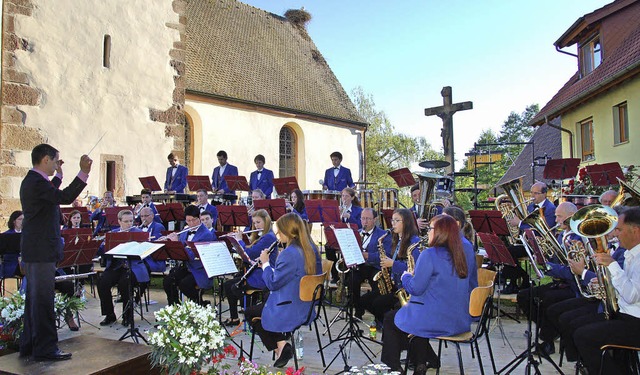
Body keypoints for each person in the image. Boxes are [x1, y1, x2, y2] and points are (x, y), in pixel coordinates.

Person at [19, 143, 91, 361]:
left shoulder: (36, 181)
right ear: (45, 160)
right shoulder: (36, 183)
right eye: (56, 160)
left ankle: (30, 345)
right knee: (43, 301)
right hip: (41, 250)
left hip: (36, 248)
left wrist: (59, 175)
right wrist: (83, 173)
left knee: (35, 300)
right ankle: (46, 349)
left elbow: (51, 194)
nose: (57, 164)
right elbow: (65, 197)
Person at [381, 215, 473, 373]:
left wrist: (406, 277)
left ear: (440, 232)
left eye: (430, 229)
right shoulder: (459, 254)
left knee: (391, 318)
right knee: (413, 314)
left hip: (438, 322)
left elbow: (415, 288)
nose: (428, 232)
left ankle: (393, 368)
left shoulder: (429, 254)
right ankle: (420, 362)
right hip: (459, 321)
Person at [245, 213, 322, 368]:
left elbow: (273, 283)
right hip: (307, 304)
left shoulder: (290, 253)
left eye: (279, 231)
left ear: (288, 232)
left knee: (250, 313)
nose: (278, 235)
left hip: (291, 307)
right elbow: (288, 275)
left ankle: (281, 346)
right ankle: (282, 345)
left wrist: (266, 264)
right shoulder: (311, 247)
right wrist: (273, 267)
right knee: (266, 299)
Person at [573, 207, 640, 375]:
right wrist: (604, 287)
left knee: (584, 336)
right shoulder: (632, 254)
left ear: (636, 231)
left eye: (619, 229)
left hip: (635, 322)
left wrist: (612, 265)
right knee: (576, 325)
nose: (615, 233)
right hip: (626, 315)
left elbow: (632, 296)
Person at [515, 201, 582, 355]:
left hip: (573, 286)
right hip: (559, 282)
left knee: (548, 301)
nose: (556, 220)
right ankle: (548, 329)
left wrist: (549, 268)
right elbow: (555, 259)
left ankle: (547, 342)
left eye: (559, 216)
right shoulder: (561, 235)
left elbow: (572, 271)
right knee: (524, 296)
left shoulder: (576, 238)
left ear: (571, 217)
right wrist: (540, 252)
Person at [360, 208, 420, 326]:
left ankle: (390, 326)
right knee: (364, 300)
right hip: (394, 285)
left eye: (397, 220)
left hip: (405, 289)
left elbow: (415, 269)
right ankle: (386, 325)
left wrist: (393, 264)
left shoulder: (414, 242)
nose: (392, 224)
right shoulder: (398, 240)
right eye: (392, 220)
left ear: (406, 222)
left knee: (378, 304)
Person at [222, 209, 278, 326]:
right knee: (228, 285)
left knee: (234, 287)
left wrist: (239, 241)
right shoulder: (262, 236)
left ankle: (251, 313)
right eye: (254, 223)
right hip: (256, 272)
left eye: (258, 222)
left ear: (266, 221)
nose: (256, 225)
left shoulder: (269, 237)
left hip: (262, 276)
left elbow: (251, 253)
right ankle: (235, 318)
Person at [97, 210, 149, 327]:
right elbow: (102, 251)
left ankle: (128, 316)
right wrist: (101, 244)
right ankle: (109, 314)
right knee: (102, 282)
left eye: (131, 221)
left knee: (125, 283)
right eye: (126, 221)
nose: (129, 224)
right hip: (115, 266)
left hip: (132, 267)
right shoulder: (113, 233)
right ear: (119, 221)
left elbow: (145, 252)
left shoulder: (138, 233)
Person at [163, 205, 215, 305]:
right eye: (188, 220)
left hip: (199, 269)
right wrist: (172, 244)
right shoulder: (185, 230)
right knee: (168, 282)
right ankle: (174, 308)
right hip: (186, 267)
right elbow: (180, 253)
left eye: (194, 220)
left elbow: (190, 255)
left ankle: (200, 304)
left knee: (185, 285)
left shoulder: (206, 234)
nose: (191, 223)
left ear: (199, 217)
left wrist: (177, 243)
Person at [354, 208, 392, 319]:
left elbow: (386, 255)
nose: (365, 222)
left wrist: (367, 255)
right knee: (351, 281)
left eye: (368, 219)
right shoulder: (357, 233)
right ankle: (358, 311)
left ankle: (378, 316)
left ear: (375, 219)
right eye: (363, 218)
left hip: (375, 267)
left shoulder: (383, 235)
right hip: (360, 266)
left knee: (378, 286)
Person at [442, 206, 478, 291]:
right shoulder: (448, 242)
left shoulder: (464, 246)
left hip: (461, 296)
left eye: (444, 219)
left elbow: (461, 277)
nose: (439, 223)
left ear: (457, 224)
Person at [2, 211, 24, 279]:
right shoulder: (6, 235)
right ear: (14, 221)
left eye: (23, 219)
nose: (22, 221)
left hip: (24, 263)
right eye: (20, 219)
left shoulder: (26, 234)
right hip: (11, 264)